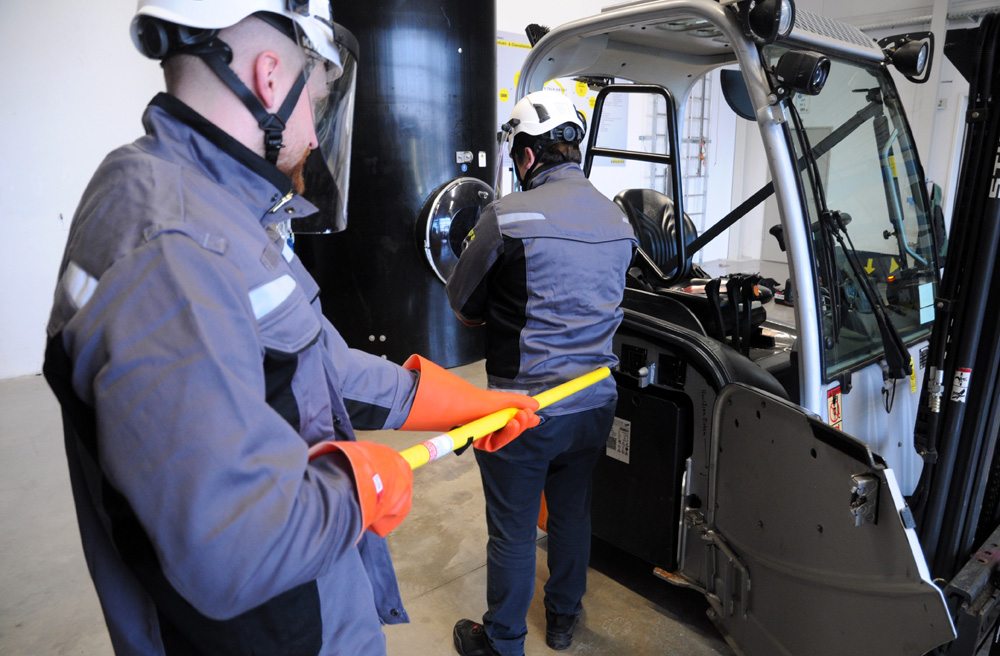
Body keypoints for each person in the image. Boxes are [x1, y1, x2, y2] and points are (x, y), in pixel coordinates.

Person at [42, 2, 539, 655]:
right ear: (270, 77)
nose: (314, 132)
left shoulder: (203, 204)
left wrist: (463, 404)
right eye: (319, 100)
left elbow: (315, 364)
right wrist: (361, 483)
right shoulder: (176, 247)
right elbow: (232, 550)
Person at [446, 90, 637, 656]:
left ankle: (502, 641)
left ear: (526, 155)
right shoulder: (617, 218)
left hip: (522, 411)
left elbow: (464, 305)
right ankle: (562, 620)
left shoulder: (506, 217)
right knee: (572, 515)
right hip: (596, 402)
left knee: (512, 528)